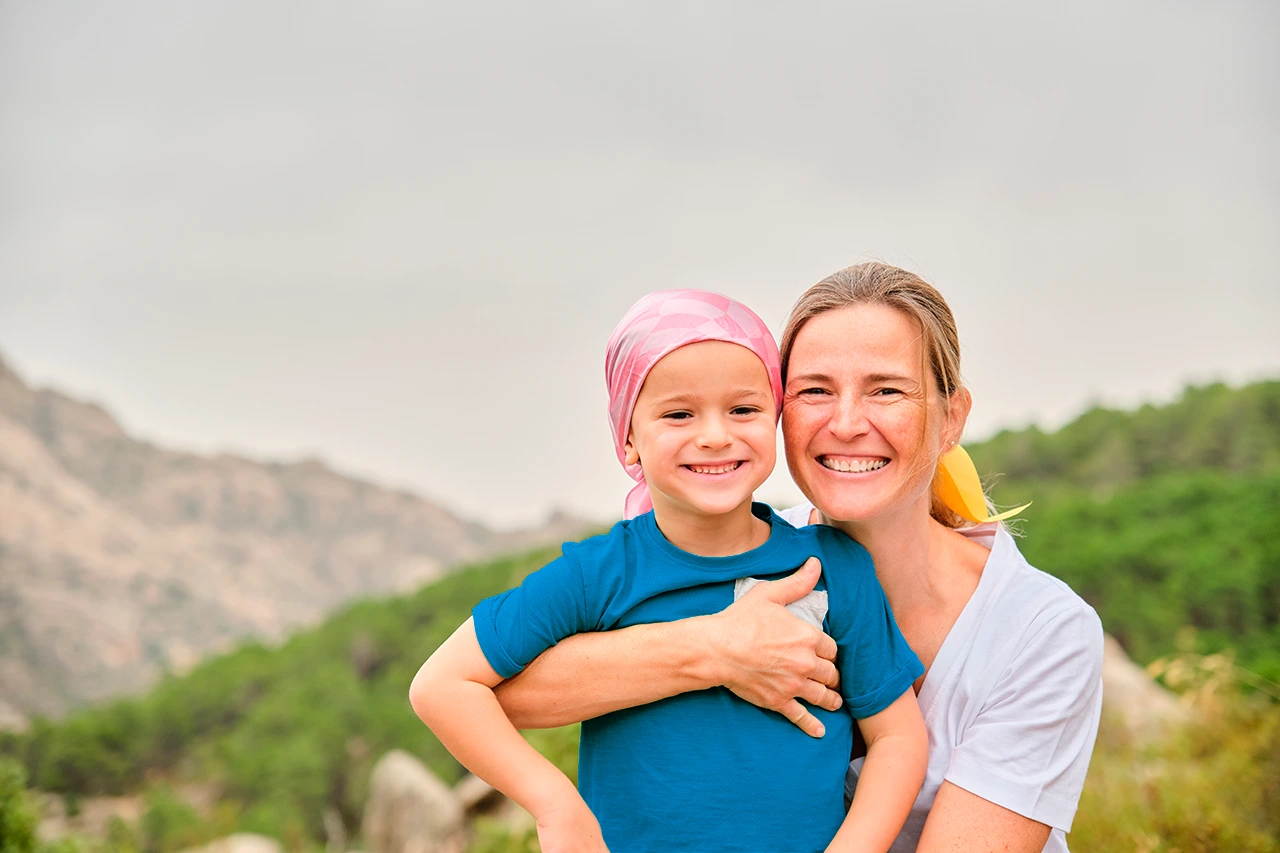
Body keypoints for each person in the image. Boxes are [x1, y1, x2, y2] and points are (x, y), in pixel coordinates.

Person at [492, 263, 1106, 853]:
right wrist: (715, 649)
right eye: (814, 391)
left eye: (886, 390)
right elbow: (501, 690)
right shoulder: (738, 549)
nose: (844, 423)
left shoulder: (1040, 631)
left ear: (951, 418)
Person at [409, 289, 929, 853]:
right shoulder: (594, 576)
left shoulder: (831, 565)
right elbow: (442, 686)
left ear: (775, 421)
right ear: (628, 439)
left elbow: (897, 737)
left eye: (744, 409)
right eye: (679, 413)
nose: (714, 434)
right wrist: (553, 802)